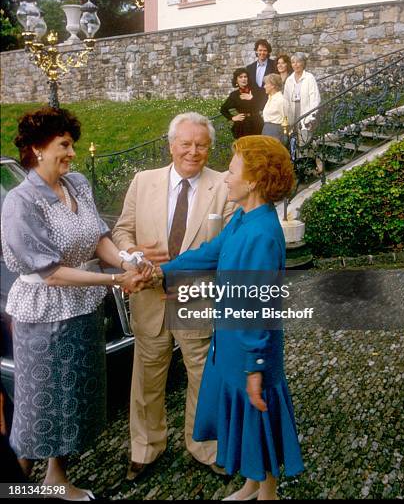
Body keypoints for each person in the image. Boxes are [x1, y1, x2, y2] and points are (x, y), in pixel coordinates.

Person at [0, 107, 148, 501]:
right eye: (64, 145)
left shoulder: (77, 183)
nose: (72, 153)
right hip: (44, 315)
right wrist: (117, 279)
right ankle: (20, 482)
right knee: (41, 401)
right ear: (37, 149)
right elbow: (49, 272)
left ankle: (52, 477)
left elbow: (99, 236)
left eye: (72, 144)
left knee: (73, 396)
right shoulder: (20, 202)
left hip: (83, 310)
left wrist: (128, 260)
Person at [161, 136, 304, 501]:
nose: (226, 175)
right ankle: (251, 484)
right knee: (244, 419)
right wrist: (162, 273)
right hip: (230, 343)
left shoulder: (262, 234)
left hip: (250, 350)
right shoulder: (243, 218)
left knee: (258, 420)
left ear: (253, 180)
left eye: (234, 168)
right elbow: (210, 253)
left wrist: (255, 367)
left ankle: (267, 492)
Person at [112, 112, 235, 480]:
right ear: (171, 145)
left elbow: (228, 249)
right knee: (147, 377)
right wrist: (134, 254)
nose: (193, 152)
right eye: (186, 144)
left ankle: (205, 446)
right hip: (148, 297)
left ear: (209, 147)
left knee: (202, 375)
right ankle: (146, 448)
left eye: (201, 145)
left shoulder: (225, 186)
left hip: (196, 298)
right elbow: (121, 231)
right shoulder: (143, 181)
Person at [283, 51, 321, 146]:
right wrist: (286, 117)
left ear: (303, 63)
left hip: (305, 110)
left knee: (304, 138)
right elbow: (286, 99)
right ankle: (295, 158)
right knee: (293, 138)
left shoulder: (309, 78)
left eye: (298, 62)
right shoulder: (289, 79)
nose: (295, 65)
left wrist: (311, 116)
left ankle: (306, 158)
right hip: (292, 111)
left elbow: (315, 99)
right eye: (293, 62)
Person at [220, 68, 264, 138]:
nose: (243, 79)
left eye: (245, 77)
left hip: (256, 123)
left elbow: (262, 106)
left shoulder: (256, 91)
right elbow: (223, 109)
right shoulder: (234, 95)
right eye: (240, 77)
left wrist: (252, 99)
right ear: (236, 80)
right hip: (242, 126)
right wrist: (232, 117)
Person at [246, 39, 276, 106]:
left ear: (268, 52)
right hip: (254, 104)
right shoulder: (249, 68)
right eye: (260, 50)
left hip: (270, 102)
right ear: (256, 51)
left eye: (265, 50)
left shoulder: (274, 65)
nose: (262, 53)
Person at [262, 73, 289, 146]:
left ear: (273, 85)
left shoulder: (281, 100)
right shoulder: (270, 98)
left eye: (266, 84)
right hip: (266, 130)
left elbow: (286, 118)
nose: (264, 86)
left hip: (276, 133)